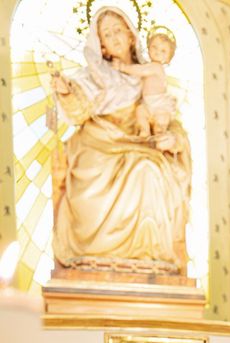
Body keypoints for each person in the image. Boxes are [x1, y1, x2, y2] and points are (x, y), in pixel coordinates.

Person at [50, 7, 191, 274]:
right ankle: (91, 258)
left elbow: (165, 116)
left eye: (117, 30)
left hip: (141, 143)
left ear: (130, 33)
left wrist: (173, 139)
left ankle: (152, 260)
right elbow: (78, 109)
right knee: (91, 167)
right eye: (106, 34)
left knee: (149, 170)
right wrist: (65, 91)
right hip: (98, 139)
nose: (114, 37)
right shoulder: (92, 76)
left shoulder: (149, 74)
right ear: (101, 46)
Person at [113, 26, 178, 138]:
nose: (157, 52)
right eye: (154, 47)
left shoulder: (156, 67)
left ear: (168, 59)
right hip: (147, 103)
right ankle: (145, 131)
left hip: (159, 103)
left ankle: (160, 131)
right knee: (140, 111)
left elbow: (140, 70)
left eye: (163, 51)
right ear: (148, 48)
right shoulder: (149, 65)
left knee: (160, 119)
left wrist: (123, 67)